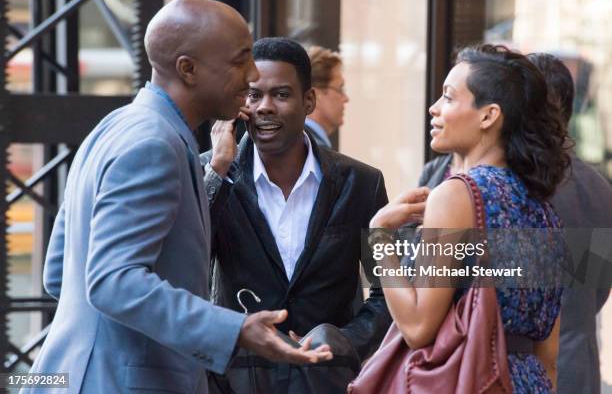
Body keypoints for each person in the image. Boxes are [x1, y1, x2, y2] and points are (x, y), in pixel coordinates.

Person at [25, 0, 331, 394]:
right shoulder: (153, 145)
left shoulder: (118, 127)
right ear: (188, 69)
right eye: (240, 60)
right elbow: (112, 281)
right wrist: (234, 329)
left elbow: (60, 272)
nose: (252, 74)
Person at [367, 44, 570, 393]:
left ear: (488, 115)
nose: (434, 108)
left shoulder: (457, 194)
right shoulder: (545, 212)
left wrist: (380, 236)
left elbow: (417, 327)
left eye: (448, 97)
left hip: (470, 380)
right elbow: (548, 354)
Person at [201, 37, 391, 393]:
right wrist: (218, 172)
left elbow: (389, 290)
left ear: (309, 101)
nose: (264, 107)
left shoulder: (363, 183)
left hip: (329, 380)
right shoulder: (211, 175)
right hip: (235, 382)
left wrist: (345, 342)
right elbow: (186, 265)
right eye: (253, 95)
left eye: (281, 95)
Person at [528, 52, 612, 394]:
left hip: (526, 373)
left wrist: (381, 239)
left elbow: (436, 281)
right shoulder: (597, 186)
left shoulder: (517, 182)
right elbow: (597, 290)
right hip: (580, 369)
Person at [304, 46, 349, 149]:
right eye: (340, 89)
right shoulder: (314, 151)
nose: (346, 98)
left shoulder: (301, 144)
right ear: (315, 96)